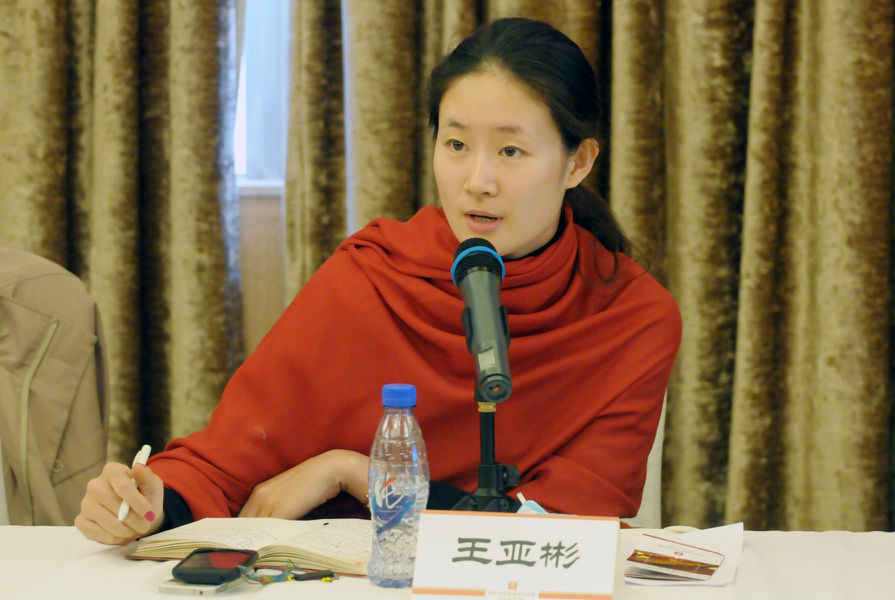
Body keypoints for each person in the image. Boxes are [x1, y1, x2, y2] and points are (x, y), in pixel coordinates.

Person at [75, 17, 681, 546]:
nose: (477, 181)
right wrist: (146, 503)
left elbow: (559, 531)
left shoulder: (632, 318)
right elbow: (226, 461)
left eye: (511, 152)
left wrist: (358, 473)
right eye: (456, 144)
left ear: (578, 162)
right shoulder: (371, 274)